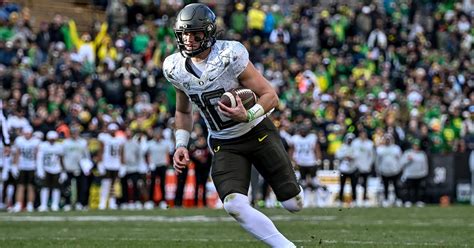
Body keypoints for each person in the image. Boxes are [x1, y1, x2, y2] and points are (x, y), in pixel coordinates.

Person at [163, 3, 303, 247]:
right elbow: (183, 110)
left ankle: (293, 185)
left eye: (195, 34)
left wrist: (247, 114)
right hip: (224, 142)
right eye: (185, 34)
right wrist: (181, 144)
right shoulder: (174, 67)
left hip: (257, 131)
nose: (189, 40)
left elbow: (270, 95)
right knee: (234, 205)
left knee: (293, 204)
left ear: (208, 33)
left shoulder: (230, 55)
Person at [11, 126, 41, 212]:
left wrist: (38, 168)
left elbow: (37, 155)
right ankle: (18, 204)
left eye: (28, 133)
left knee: (30, 186)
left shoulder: (36, 141)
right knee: (20, 186)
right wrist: (14, 165)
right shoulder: (19, 140)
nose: (27, 135)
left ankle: (30, 204)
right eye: (26, 133)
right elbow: (17, 153)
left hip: (31, 166)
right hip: (22, 166)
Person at [62, 125, 92, 211]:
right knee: (67, 188)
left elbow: (87, 156)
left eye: (76, 132)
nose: (74, 134)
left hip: (80, 168)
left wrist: (88, 167)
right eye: (72, 132)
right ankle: (67, 203)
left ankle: (80, 203)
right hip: (69, 168)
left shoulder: (82, 142)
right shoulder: (66, 142)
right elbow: (62, 156)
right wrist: (63, 169)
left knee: (81, 187)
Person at [37, 131, 67, 212]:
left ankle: (55, 204)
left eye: (53, 139)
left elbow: (61, 159)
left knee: (56, 188)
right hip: (46, 168)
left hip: (57, 169)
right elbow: (39, 159)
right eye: (51, 139)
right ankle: (43, 204)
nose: (52, 141)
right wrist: (40, 170)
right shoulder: (43, 145)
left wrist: (63, 171)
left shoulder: (59, 146)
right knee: (44, 187)